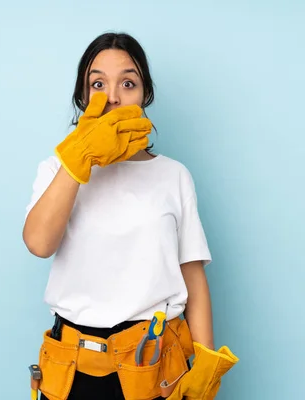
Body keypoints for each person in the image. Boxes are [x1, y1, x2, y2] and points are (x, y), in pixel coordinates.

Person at [22, 32, 238, 400]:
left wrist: (204, 365)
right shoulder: (57, 170)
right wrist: (78, 161)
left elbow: (194, 277)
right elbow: (39, 244)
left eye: (128, 82)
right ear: (83, 97)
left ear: (144, 95)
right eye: (98, 84)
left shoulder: (173, 175)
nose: (115, 96)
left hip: (153, 365)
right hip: (71, 369)